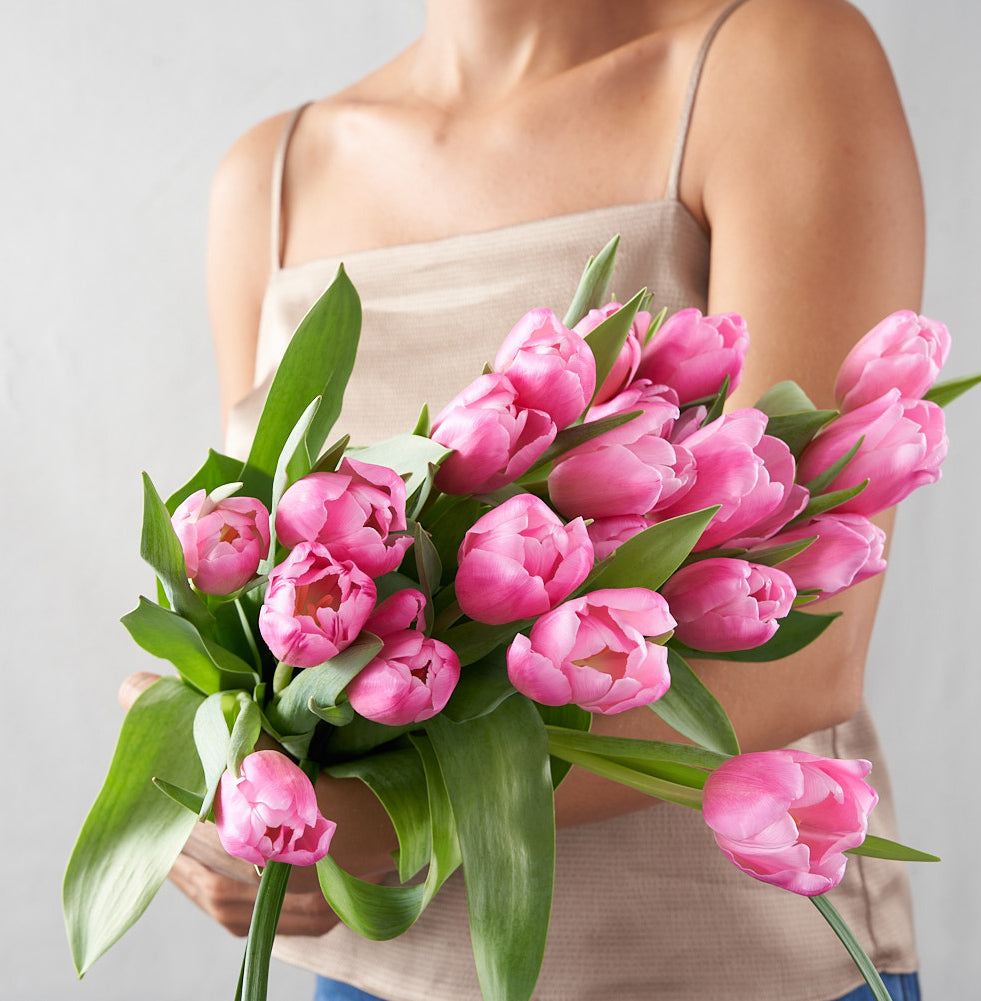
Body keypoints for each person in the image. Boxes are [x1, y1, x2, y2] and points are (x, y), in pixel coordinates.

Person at [121, 0, 925, 997]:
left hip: (715, 971)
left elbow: (805, 638)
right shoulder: (272, 177)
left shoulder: (767, 63)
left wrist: (412, 812)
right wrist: (210, 749)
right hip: (368, 978)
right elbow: (258, 601)